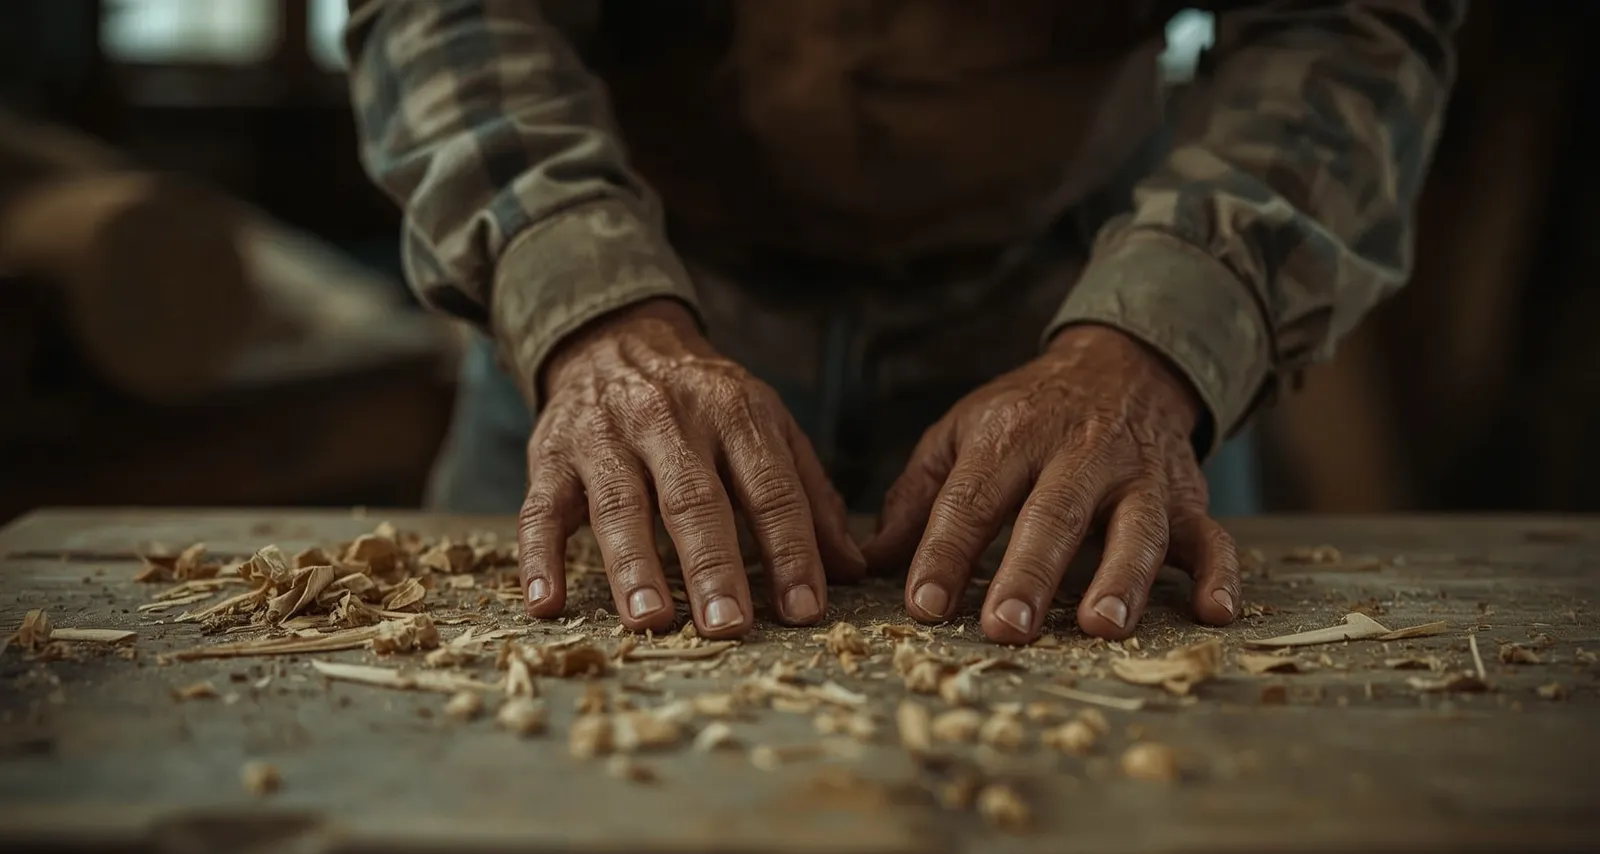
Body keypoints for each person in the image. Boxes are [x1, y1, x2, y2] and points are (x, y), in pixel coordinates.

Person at [344, 0, 1462, 643]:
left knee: (1168, 794)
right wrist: (590, 312)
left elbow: (1344, 23)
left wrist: (1157, 340)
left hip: (1090, 309)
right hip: (618, 308)